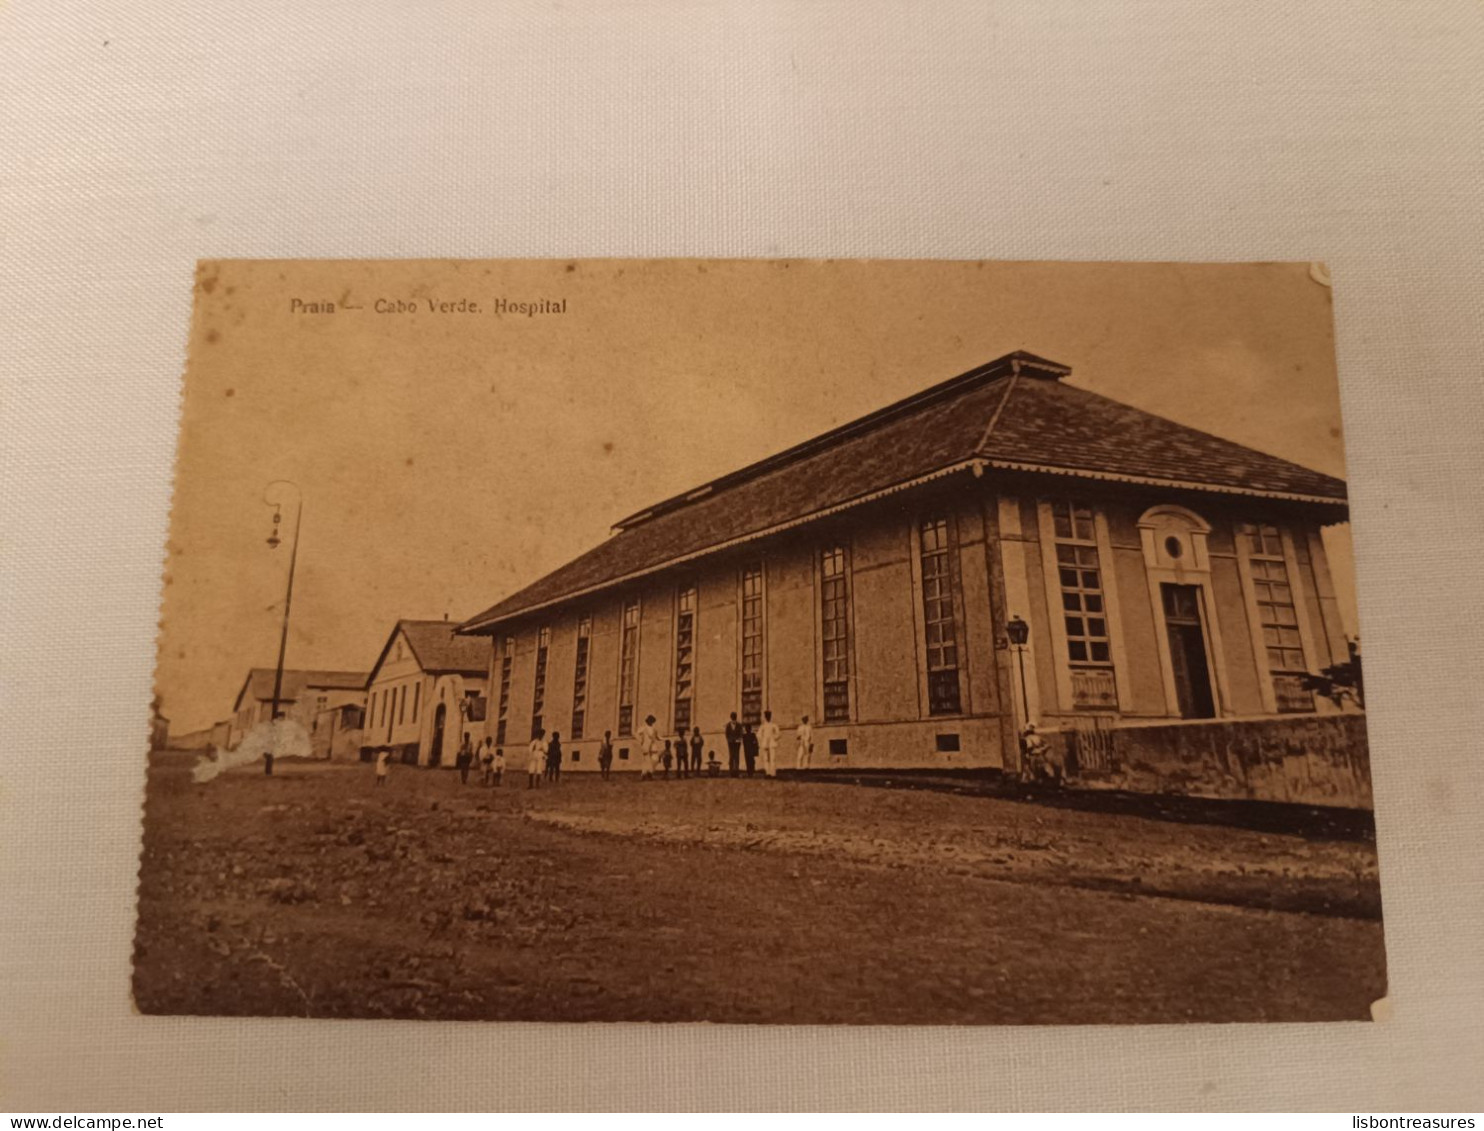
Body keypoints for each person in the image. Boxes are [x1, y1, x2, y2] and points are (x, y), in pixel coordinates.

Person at [635, 715, 660, 781]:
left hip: (652, 745)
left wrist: (664, 739)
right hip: (646, 745)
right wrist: (641, 741)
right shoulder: (643, 728)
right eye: (650, 721)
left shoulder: (654, 729)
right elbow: (636, 734)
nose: (651, 722)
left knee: (655, 759)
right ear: (647, 721)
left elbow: (657, 737)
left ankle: (649, 772)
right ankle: (644, 774)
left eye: (652, 721)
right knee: (646, 760)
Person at [758, 710, 781, 778]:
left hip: (772, 743)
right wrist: (763, 739)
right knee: (766, 759)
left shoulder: (773, 725)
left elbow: (778, 734)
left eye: (769, 716)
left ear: (770, 716)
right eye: (766, 716)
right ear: (765, 717)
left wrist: (773, 738)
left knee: (772, 758)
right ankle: (767, 773)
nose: (768, 717)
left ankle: (773, 773)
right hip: (765, 743)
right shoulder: (763, 726)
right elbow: (758, 734)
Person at [724, 712, 743, 777]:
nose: (733, 719)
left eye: (734, 717)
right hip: (731, 743)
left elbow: (741, 734)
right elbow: (726, 734)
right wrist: (730, 740)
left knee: (737, 757)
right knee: (731, 757)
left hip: (737, 743)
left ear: (736, 717)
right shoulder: (728, 725)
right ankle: (731, 772)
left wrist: (738, 739)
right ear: (731, 717)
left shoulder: (739, 725)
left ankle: (736, 772)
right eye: (732, 717)